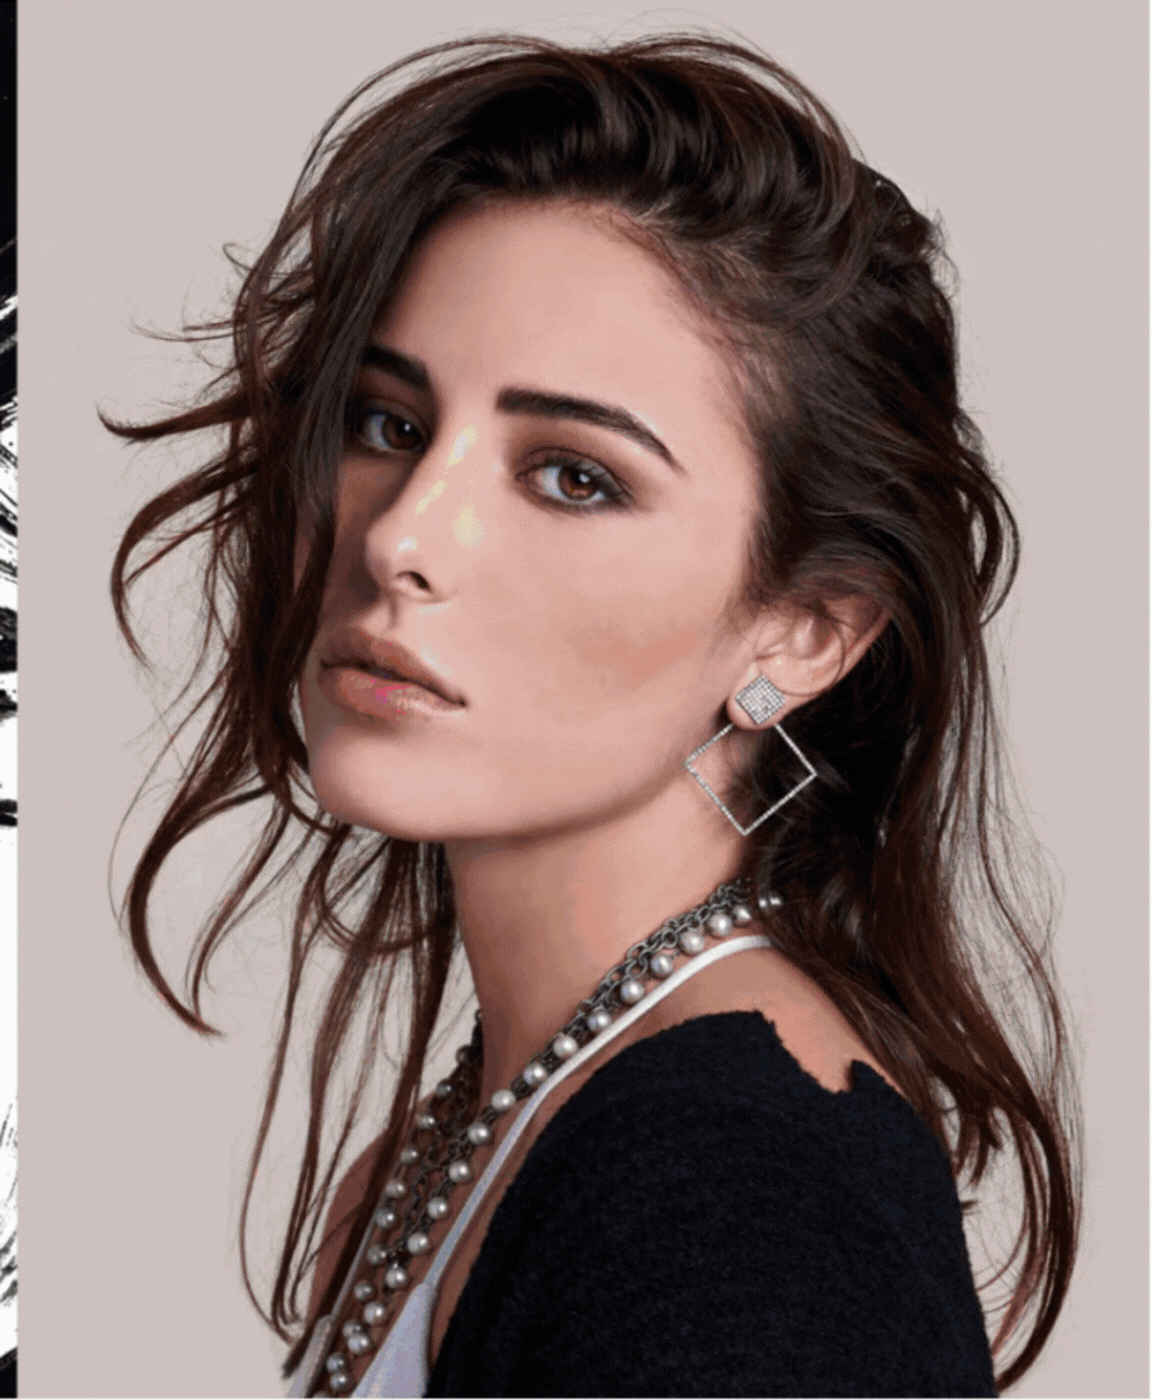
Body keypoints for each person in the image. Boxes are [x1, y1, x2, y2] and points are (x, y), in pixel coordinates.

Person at [105, 32, 1081, 1398]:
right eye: (389, 424)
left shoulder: (741, 1209)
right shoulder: (482, 1143)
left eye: (571, 477)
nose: (404, 540)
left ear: (803, 631)